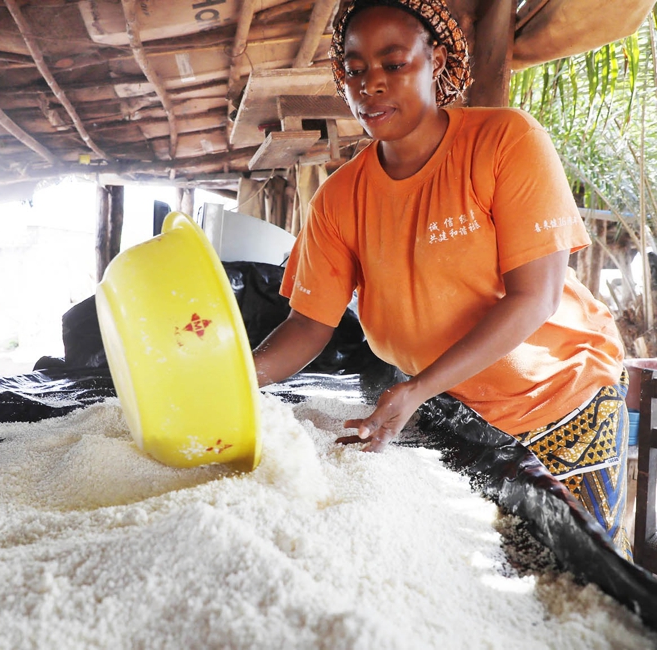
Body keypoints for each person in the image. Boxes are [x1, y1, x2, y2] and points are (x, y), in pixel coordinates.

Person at [252, 0, 631, 557]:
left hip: (560, 403)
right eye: (355, 69)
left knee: (574, 580)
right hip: (460, 412)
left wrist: (416, 388)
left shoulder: (505, 141)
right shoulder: (338, 199)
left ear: (436, 59)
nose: (370, 85)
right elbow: (309, 325)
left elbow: (536, 297)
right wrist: (236, 377)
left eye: (393, 63)